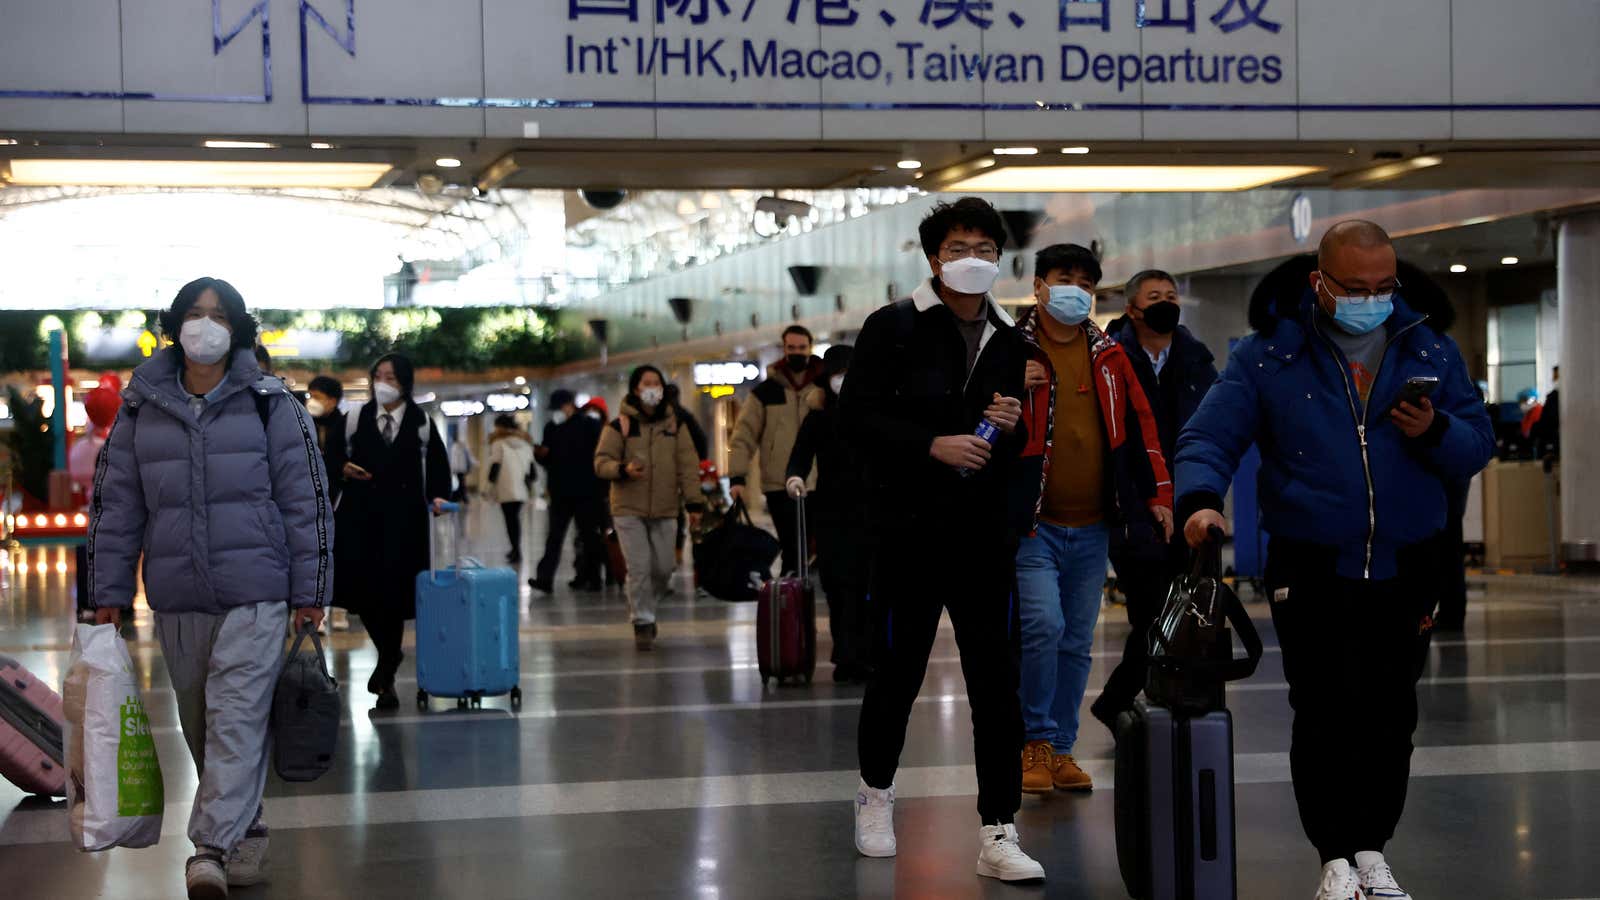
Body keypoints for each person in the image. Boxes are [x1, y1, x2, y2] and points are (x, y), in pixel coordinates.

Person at [1176, 220, 1495, 900]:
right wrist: (1200, 501)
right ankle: (1334, 856)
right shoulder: (1270, 357)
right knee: (1323, 706)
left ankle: (1373, 849)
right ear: (1319, 282)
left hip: (1409, 561)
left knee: (1389, 711)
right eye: (1355, 288)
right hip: (1311, 559)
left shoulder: (1427, 347)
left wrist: (1435, 429)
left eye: (1384, 287)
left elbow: (1476, 444)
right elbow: (1211, 434)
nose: (1371, 299)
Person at [88, 276, 333, 899]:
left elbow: (307, 503)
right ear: (175, 325)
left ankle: (209, 851)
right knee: (203, 724)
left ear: (238, 327)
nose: (205, 325)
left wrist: (311, 592)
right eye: (194, 314)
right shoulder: (141, 408)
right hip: (176, 595)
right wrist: (106, 593)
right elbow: (116, 507)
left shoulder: (271, 403)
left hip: (258, 592)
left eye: (218, 315)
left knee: (237, 721)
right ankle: (245, 827)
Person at [843, 197, 1044, 883]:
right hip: (907, 536)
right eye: (961, 248)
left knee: (997, 684)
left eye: (987, 249)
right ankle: (875, 795)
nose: (975, 261)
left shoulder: (1012, 340)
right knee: (896, 673)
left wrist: (1005, 430)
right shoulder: (893, 327)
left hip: (984, 541)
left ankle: (999, 829)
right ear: (934, 257)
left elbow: (1005, 446)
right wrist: (931, 444)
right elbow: (857, 421)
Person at [1010, 244, 1173, 797]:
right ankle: (1033, 740)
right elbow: (980, 417)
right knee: (1043, 628)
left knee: (1078, 639)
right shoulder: (1011, 349)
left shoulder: (1109, 354)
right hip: (1033, 524)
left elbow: (1142, 425)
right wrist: (1012, 389)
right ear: (1038, 286)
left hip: (1095, 524)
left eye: (1085, 281)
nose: (1074, 288)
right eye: (1063, 278)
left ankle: (1059, 749)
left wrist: (1159, 494)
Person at [1090, 269, 1217, 734]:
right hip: (1135, 506)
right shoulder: (1109, 358)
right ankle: (1121, 698)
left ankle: (1143, 698)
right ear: (1132, 309)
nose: (1165, 303)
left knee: (1179, 610)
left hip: (1188, 502)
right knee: (1151, 610)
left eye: (1170, 295)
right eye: (1154, 297)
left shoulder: (1196, 358)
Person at [331, 353, 452, 711]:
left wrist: (440, 497)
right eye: (378, 375)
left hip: (405, 524)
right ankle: (390, 656)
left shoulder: (421, 424)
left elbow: (439, 471)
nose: (383, 382)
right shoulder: (354, 419)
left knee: (395, 598)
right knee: (366, 597)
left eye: (391, 377)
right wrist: (342, 469)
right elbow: (328, 458)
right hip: (360, 522)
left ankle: (386, 676)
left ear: (405, 383)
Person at [593, 366, 703, 651]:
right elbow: (601, 462)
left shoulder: (675, 425)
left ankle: (646, 605)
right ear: (635, 389)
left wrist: (694, 502)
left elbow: (689, 467)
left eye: (657, 383)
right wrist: (622, 469)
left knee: (665, 568)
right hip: (628, 508)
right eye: (647, 383)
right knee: (639, 567)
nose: (653, 388)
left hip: (667, 508)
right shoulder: (619, 426)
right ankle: (642, 620)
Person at [784, 344, 872, 683]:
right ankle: (847, 653)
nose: (842, 381)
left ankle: (866, 652)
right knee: (838, 586)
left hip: (871, 510)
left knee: (868, 583)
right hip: (833, 511)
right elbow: (801, 453)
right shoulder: (819, 416)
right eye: (837, 375)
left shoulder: (873, 411)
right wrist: (794, 477)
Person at [728, 325, 824, 575]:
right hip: (778, 483)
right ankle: (791, 600)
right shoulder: (765, 392)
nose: (796, 352)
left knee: (820, 545)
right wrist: (737, 477)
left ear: (809, 348)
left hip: (820, 481)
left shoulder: (822, 389)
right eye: (791, 348)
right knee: (792, 547)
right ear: (783, 349)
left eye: (801, 347)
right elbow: (743, 436)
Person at [531, 389, 608, 594]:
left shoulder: (590, 426)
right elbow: (547, 459)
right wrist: (540, 455)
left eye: (559, 408)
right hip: (560, 492)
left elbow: (600, 455)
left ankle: (593, 578)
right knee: (554, 537)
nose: (556, 412)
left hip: (587, 492)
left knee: (589, 537)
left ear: (570, 405)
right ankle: (544, 579)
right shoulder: (551, 428)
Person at [305, 374, 351, 631]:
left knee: (339, 552)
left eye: (318, 397)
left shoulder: (346, 425)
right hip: (309, 497)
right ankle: (314, 610)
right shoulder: (301, 422)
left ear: (333, 400)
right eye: (310, 395)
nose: (312, 401)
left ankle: (340, 611)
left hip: (339, 497)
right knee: (312, 554)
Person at [487, 414, 536, 566]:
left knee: (510, 520)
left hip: (505, 487)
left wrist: (488, 487)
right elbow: (532, 471)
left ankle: (515, 550)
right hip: (521, 488)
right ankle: (515, 549)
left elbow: (495, 467)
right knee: (515, 519)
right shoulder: (526, 443)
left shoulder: (498, 443)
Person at [448, 425, 477, 505]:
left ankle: (460, 497)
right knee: (461, 483)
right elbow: (454, 460)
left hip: (462, 468)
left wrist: (475, 463)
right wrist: (453, 469)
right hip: (458, 469)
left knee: (461, 483)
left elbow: (469, 456)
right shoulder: (454, 447)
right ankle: (461, 497)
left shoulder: (463, 447)